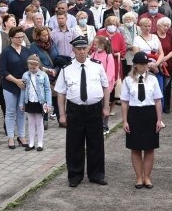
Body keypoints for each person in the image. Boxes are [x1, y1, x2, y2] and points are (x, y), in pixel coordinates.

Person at [56, 36, 111, 187]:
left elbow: (106, 87)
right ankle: (75, 175)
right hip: (75, 109)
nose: (81, 52)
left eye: (84, 48)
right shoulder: (66, 69)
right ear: (73, 50)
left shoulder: (97, 66)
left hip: (94, 108)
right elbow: (61, 93)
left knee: (96, 143)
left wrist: (106, 107)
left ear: (88, 49)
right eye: (78, 49)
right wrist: (62, 114)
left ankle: (97, 174)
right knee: (74, 144)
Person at [121, 52, 163, 189]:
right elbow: (125, 102)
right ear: (135, 65)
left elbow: (157, 101)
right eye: (141, 64)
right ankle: (139, 177)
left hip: (149, 113)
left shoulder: (153, 80)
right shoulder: (128, 80)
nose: (144, 66)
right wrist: (125, 120)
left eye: (146, 64)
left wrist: (159, 120)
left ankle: (147, 177)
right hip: (135, 114)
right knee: (136, 148)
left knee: (150, 148)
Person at [0, 26, 32, 149]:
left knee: (21, 111)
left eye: (22, 37)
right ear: (11, 38)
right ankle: (10, 137)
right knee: (10, 111)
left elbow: (31, 67)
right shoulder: (6, 52)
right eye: (17, 37)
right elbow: (3, 71)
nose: (20, 39)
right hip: (10, 86)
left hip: (23, 86)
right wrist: (16, 81)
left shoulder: (26, 51)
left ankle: (22, 136)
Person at [19, 55, 51, 151]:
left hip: (39, 102)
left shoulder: (43, 75)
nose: (32, 70)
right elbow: (23, 90)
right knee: (31, 123)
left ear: (39, 66)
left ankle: (40, 143)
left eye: (34, 68)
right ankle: (31, 143)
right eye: (30, 68)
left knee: (39, 122)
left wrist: (48, 104)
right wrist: (21, 103)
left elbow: (47, 90)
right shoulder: (25, 75)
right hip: (29, 101)